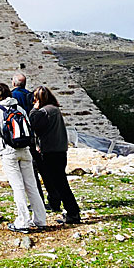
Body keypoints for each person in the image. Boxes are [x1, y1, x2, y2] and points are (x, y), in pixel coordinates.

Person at [0, 83, 47, 232]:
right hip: (25, 150)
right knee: (31, 185)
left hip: (8, 151)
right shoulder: (19, 109)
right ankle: (40, 219)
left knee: (17, 186)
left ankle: (23, 221)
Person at [30, 85, 81, 225]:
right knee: (61, 182)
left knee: (60, 184)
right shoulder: (55, 110)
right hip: (60, 151)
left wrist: (35, 108)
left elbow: (32, 122)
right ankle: (71, 211)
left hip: (50, 152)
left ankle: (73, 213)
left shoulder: (44, 112)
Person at [11, 73, 57, 209]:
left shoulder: (13, 97)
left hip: (24, 138)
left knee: (31, 172)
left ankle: (39, 201)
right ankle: (54, 199)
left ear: (14, 83)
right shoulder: (31, 96)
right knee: (45, 170)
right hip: (37, 137)